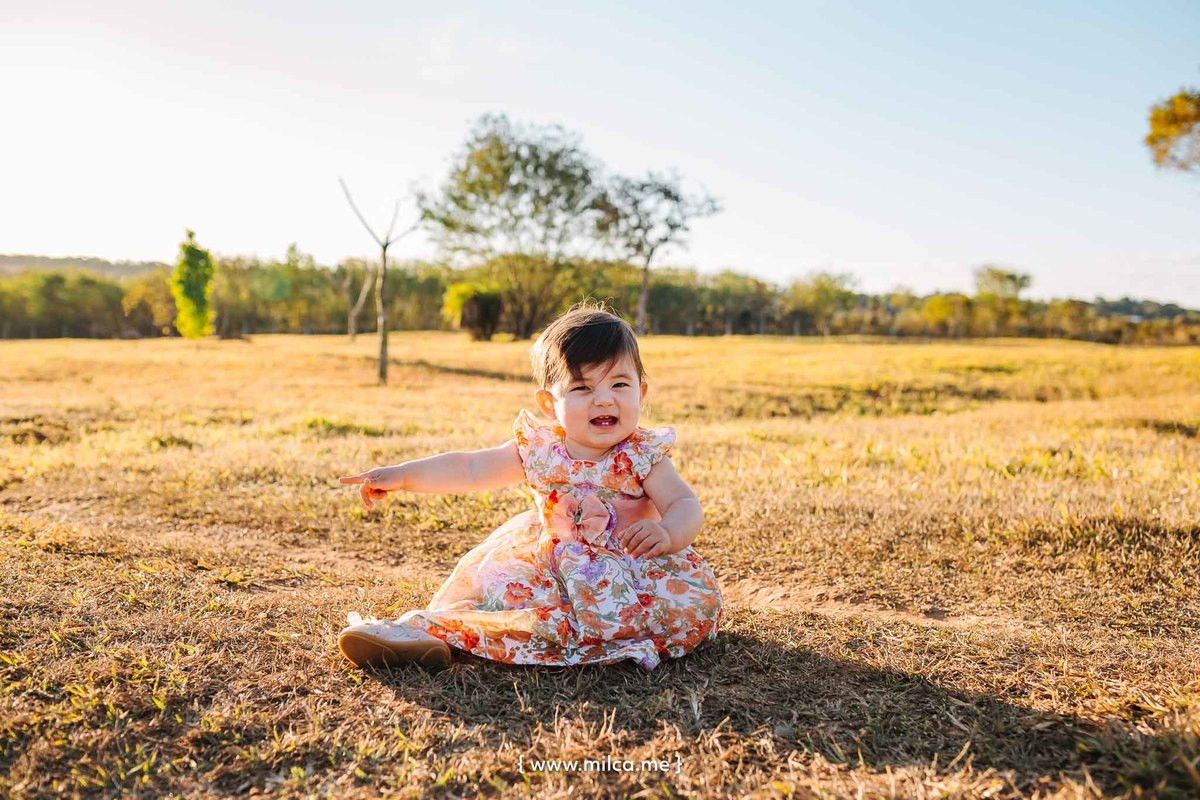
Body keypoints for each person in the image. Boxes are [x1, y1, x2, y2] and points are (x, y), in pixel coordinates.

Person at [337, 301, 723, 670]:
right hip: (548, 569)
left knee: (689, 611)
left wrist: (668, 533)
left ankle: (486, 635)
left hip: (630, 570)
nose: (604, 400)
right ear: (549, 404)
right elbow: (470, 468)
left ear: (641, 391)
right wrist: (403, 475)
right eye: (582, 388)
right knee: (504, 598)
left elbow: (684, 504)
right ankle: (430, 632)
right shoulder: (540, 449)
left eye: (619, 384)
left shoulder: (642, 455)